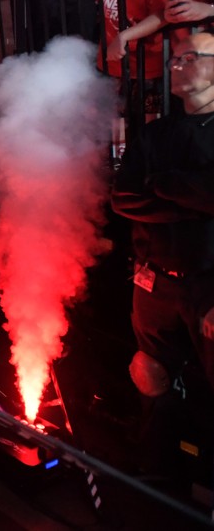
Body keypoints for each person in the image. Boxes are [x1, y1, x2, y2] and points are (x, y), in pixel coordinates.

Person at [110, 31, 214, 477]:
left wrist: (163, 185)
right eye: (176, 58)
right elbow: (123, 197)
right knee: (148, 370)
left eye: (193, 57)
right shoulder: (154, 133)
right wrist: (190, 194)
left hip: (208, 282)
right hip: (153, 279)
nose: (178, 63)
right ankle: (154, 470)